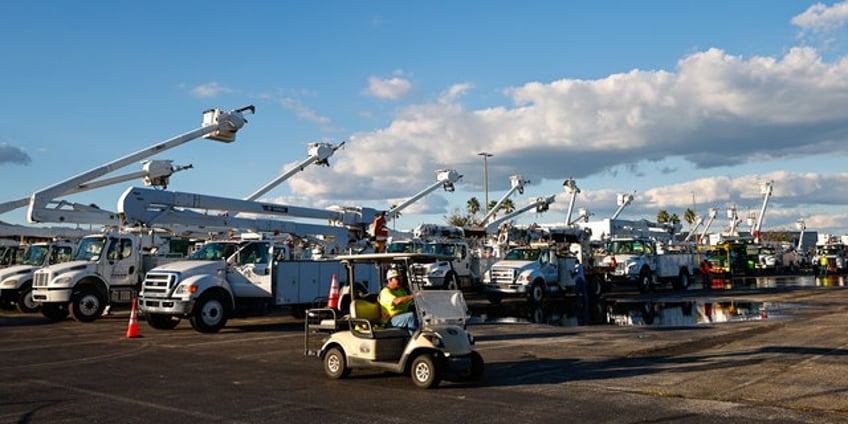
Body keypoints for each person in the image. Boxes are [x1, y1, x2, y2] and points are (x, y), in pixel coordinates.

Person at [378, 269, 419, 335]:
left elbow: (408, 302)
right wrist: (414, 296)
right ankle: (415, 340)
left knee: (420, 315)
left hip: (401, 318)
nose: (400, 281)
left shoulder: (401, 290)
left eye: (400, 278)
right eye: (397, 278)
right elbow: (397, 301)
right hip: (390, 321)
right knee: (410, 317)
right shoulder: (385, 292)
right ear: (390, 280)